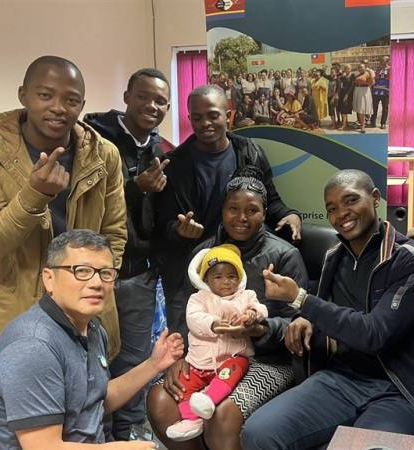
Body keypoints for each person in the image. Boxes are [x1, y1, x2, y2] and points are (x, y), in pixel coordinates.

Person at [240, 170, 414, 450]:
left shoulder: (412, 261)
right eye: (332, 209)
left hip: (398, 389)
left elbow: (374, 335)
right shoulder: (334, 256)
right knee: (258, 433)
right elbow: (326, 312)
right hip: (341, 379)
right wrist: (304, 319)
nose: (341, 214)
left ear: (374, 199)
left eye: (350, 201)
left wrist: (301, 301)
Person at [0, 55, 126, 360]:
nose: (59, 107)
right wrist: (34, 194)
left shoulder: (104, 154)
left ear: (82, 104)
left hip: (87, 313)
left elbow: (114, 232)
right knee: (30, 403)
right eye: (45, 95)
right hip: (21, 309)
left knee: (93, 403)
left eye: (71, 100)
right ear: (23, 95)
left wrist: (99, 280)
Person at [0, 229, 184, 449]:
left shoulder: (92, 328)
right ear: (49, 279)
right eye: (82, 271)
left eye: (106, 273)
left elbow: (93, 401)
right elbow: (44, 447)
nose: (96, 283)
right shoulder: (32, 346)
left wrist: (153, 365)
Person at [147, 168, 308, 450]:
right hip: (205, 353)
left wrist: (261, 329)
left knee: (222, 415)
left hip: (268, 359)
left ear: (264, 212)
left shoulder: (285, 255)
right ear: (222, 209)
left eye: (252, 210)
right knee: (160, 401)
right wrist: (179, 355)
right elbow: (183, 305)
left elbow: (299, 322)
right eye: (233, 208)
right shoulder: (205, 251)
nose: (242, 217)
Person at [151, 84, 301, 332]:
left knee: (238, 330)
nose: (205, 123)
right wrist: (179, 231)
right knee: (190, 335)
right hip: (193, 265)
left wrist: (289, 214)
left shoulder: (250, 152)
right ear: (189, 118)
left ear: (227, 114)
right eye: (197, 118)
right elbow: (163, 224)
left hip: (238, 263)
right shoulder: (175, 163)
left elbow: (269, 199)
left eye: (213, 115)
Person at [83, 68, 171, 441]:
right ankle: (96, 434)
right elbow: (91, 200)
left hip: (138, 273)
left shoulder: (161, 149)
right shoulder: (95, 138)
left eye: (161, 101)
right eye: (144, 97)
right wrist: (137, 187)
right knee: (93, 360)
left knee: (134, 358)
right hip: (95, 273)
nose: (152, 106)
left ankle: (130, 430)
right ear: (126, 97)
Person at [165, 244, 268, 441]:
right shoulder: (199, 298)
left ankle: (210, 399)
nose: (226, 282)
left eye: (232, 276)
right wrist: (212, 324)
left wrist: (252, 315)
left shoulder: (246, 295)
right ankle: (191, 418)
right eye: (218, 277)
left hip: (233, 356)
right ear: (206, 279)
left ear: (239, 277)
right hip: (200, 361)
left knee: (233, 369)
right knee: (184, 385)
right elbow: (193, 319)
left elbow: (261, 308)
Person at [352, 61, 375, 134]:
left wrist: (366, 81)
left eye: (361, 67)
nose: (360, 68)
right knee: (359, 108)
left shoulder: (368, 73)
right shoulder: (356, 74)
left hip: (364, 91)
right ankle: (361, 123)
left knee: (362, 108)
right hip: (357, 90)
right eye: (359, 67)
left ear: (365, 67)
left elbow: (372, 83)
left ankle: (363, 126)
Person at [370, 56, 390, 129]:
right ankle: (372, 122)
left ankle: (383, 123)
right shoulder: (377, 69)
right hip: (376, 91)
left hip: (385, 92)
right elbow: (374, 79)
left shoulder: (391, 69)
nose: (381, 61)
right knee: (374, 107)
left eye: (383, 60)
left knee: (385, 108)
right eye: (380, 60)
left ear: (387, 61)